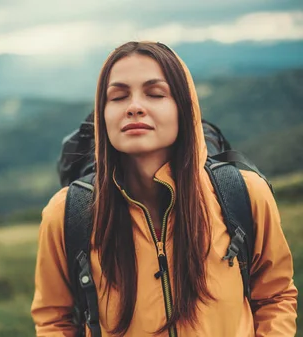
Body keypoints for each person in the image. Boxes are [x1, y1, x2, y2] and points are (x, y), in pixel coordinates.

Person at [30, 41, 297, 336]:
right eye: (117, 97)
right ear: (101, 114)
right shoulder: (68, 213)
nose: (134, 107)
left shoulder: (243, 194)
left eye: (155, 94)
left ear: (185, 107)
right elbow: (55, 320)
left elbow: (275, 296)